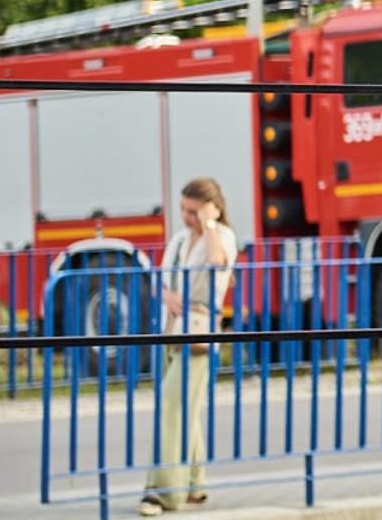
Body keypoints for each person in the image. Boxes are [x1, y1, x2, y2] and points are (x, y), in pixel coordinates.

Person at [140, 177, 240, 516]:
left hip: (198, 335)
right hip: (171, 330)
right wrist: (166, 295)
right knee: (186, 409)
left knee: (172, 407)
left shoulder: (222, 236)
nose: (187, 217)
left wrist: (210, 223)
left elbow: (218, 262)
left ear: (211, 209)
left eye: (193, 211)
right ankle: (196, 485)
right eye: (183, 210)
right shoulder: (180, 240)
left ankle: (163, 493)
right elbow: (162, 280)